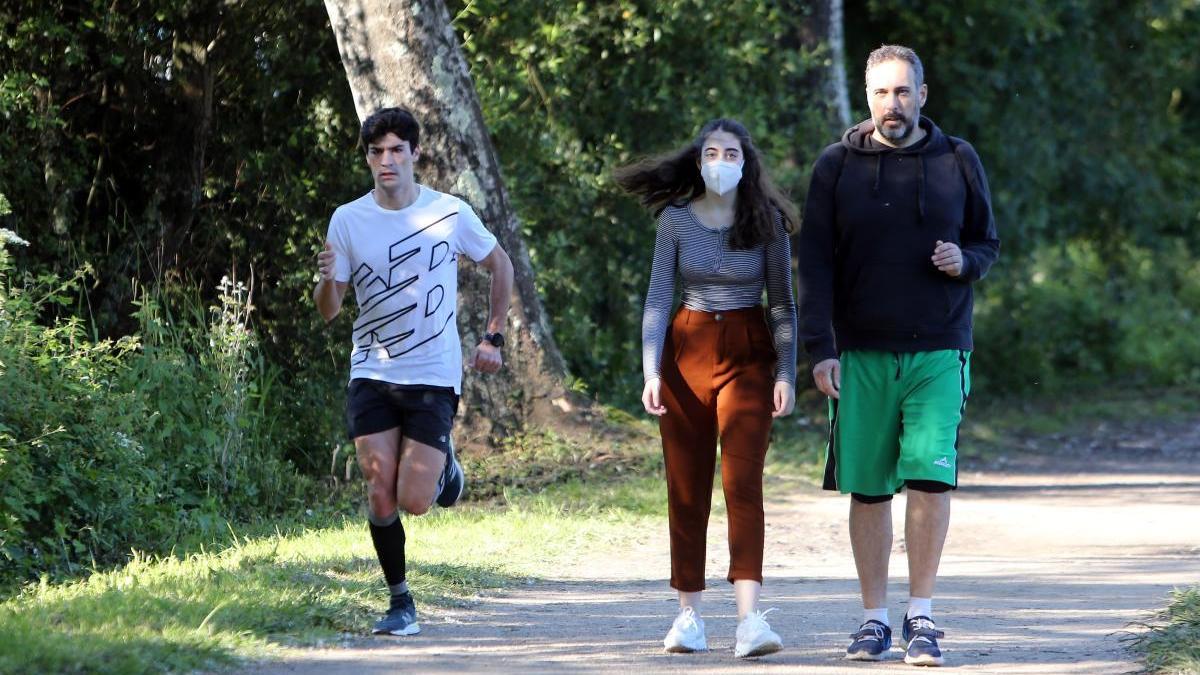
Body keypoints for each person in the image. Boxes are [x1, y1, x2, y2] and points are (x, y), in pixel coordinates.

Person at [799, 45, 1000, 666]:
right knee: (868, 490)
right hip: (861, 351)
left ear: (922, 94)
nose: (894, 104)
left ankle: (923, 617)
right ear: (868, 97)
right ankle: (872, 620)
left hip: (940, 347)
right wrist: (820, 349)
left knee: (929, 477)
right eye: (883, 93)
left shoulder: (957, 159)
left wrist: (962, 262)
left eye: (904, 92)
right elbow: (815, 265)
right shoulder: (836, 166)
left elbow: (986, 243)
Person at [314, 107, 514, 636]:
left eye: (396, 150)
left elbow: (501, 265)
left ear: (414, 154)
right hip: (372, 372)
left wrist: (493, 335)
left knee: (414, 501)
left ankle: (445, 464)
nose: (386, 160)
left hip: (432, 376)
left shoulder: (449, 213)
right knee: (380, 491)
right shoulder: (347, 220)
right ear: (368, 158)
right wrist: (329, 280)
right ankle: (400, 602)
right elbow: (330, 310)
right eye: (376, 152)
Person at [616, 118, 799, 659]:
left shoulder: (766, 224)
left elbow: (784, 307)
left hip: (748, 349)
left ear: (747, 165)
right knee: (687, 485)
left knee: (743, 483)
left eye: (732, 153)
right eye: (712, 152)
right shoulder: (675, 221)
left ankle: (749, 621)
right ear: (699, 162)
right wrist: (651, 371)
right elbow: (656, 300)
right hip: (687, 346)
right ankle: (688, 616)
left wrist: (785, 373)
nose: (721, 161)